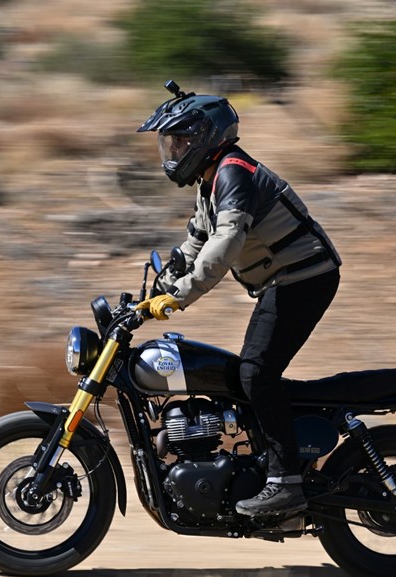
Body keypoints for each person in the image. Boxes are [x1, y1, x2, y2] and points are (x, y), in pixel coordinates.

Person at [135, 81, 342, 517]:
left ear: (206, 138)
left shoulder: (233, 173)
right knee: (244, 373)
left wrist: (180, 297)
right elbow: (196, 241)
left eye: (181, 141)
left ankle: (285, 484)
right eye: (170, 143)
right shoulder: (209, 181)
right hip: (284, 281)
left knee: (256, 374)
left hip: (305, 278)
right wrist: (160, 287)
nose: (173, 151)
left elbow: (224, 244)